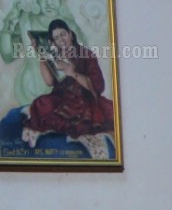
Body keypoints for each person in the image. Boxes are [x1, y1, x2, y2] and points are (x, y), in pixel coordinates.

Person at [20, 19, 115, 148]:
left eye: (63, 34)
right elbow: (49, 82)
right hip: (62, 99)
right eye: (57, 38)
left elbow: (98, 87)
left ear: (70, 34)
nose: (62, 40)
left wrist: (72, 73)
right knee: (40, 103)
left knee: (83, 116)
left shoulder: (86, 54)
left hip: (84, 100)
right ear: (53, 42)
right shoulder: (54, 55)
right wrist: (41, 56)